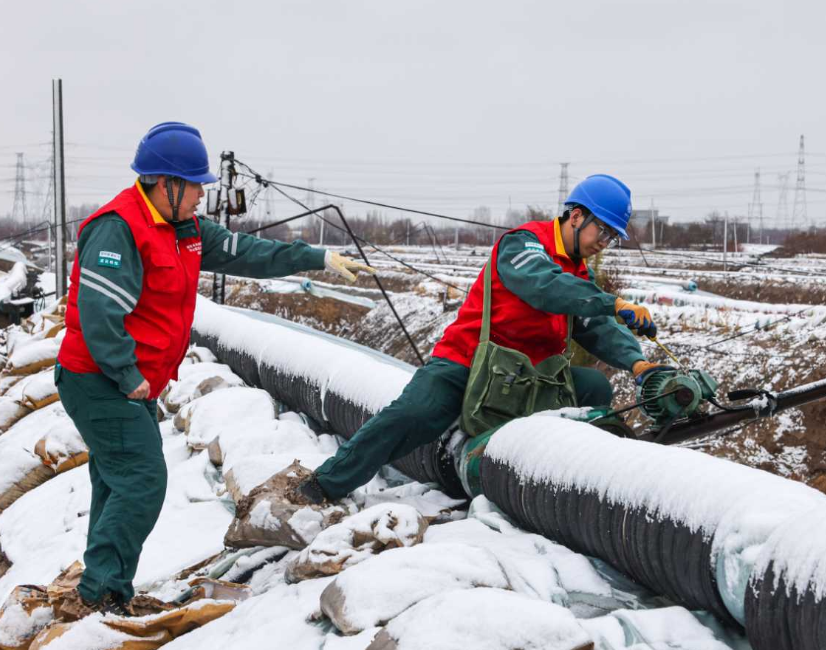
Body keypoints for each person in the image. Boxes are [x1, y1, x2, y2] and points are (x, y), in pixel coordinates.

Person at [55, 121, 373, 614]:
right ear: (166, 184)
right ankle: (102, 593)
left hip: (122, 382)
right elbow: (99, 315)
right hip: (97, 379)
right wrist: (128, 374)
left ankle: (102, 585)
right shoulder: (119, 228)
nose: (203, 195)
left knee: (117, 479)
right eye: (197, 186)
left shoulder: (184, 229)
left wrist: (318, 257)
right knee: (141, 479)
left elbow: (250, 253)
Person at [291, 173, 664, 505]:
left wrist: (638, 363)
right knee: (408, 416)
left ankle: (562, 489)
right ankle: (322, 486)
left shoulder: (578, 273)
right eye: (604, 230)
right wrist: (612, 302)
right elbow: (544, 286)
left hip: (531, 379)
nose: (605, 242)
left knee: (594, 389)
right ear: (577, 215)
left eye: (613, 237)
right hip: (470, 363)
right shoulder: (524, 245)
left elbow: (594, 324)